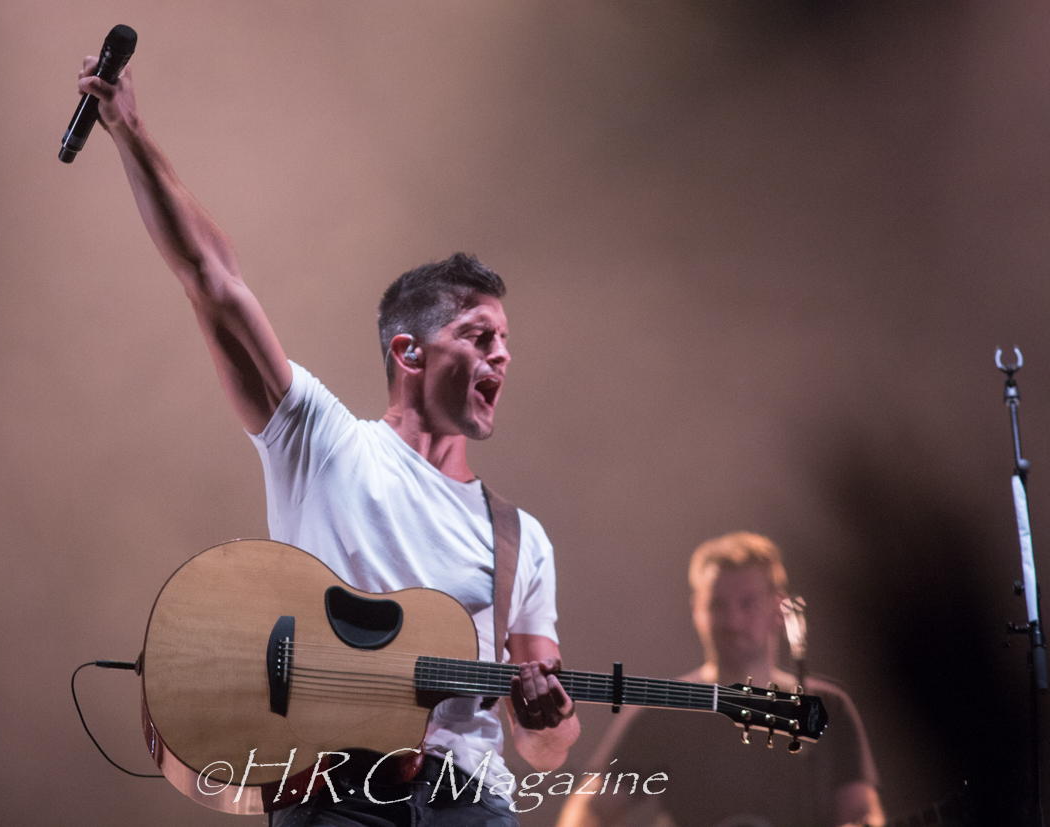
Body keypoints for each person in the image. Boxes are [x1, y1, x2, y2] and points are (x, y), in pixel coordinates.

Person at [77, 55, 580, 826]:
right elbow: (213, 278)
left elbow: (546, 747)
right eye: (479, 335)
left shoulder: (521, 539)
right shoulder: (323, 441)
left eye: (507, 341)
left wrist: (550, 717)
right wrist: (130, 130)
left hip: (469, 799)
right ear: (409, 352)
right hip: (332, 792)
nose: (502, 355)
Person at [556, 532, 883, 827]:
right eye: (717, 605)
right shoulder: (666, 711)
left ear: (779, 607)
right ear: (696, 609)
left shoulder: (828, 708)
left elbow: (860, 810)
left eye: (748, 603)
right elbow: (590, 808)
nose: (733, 621)